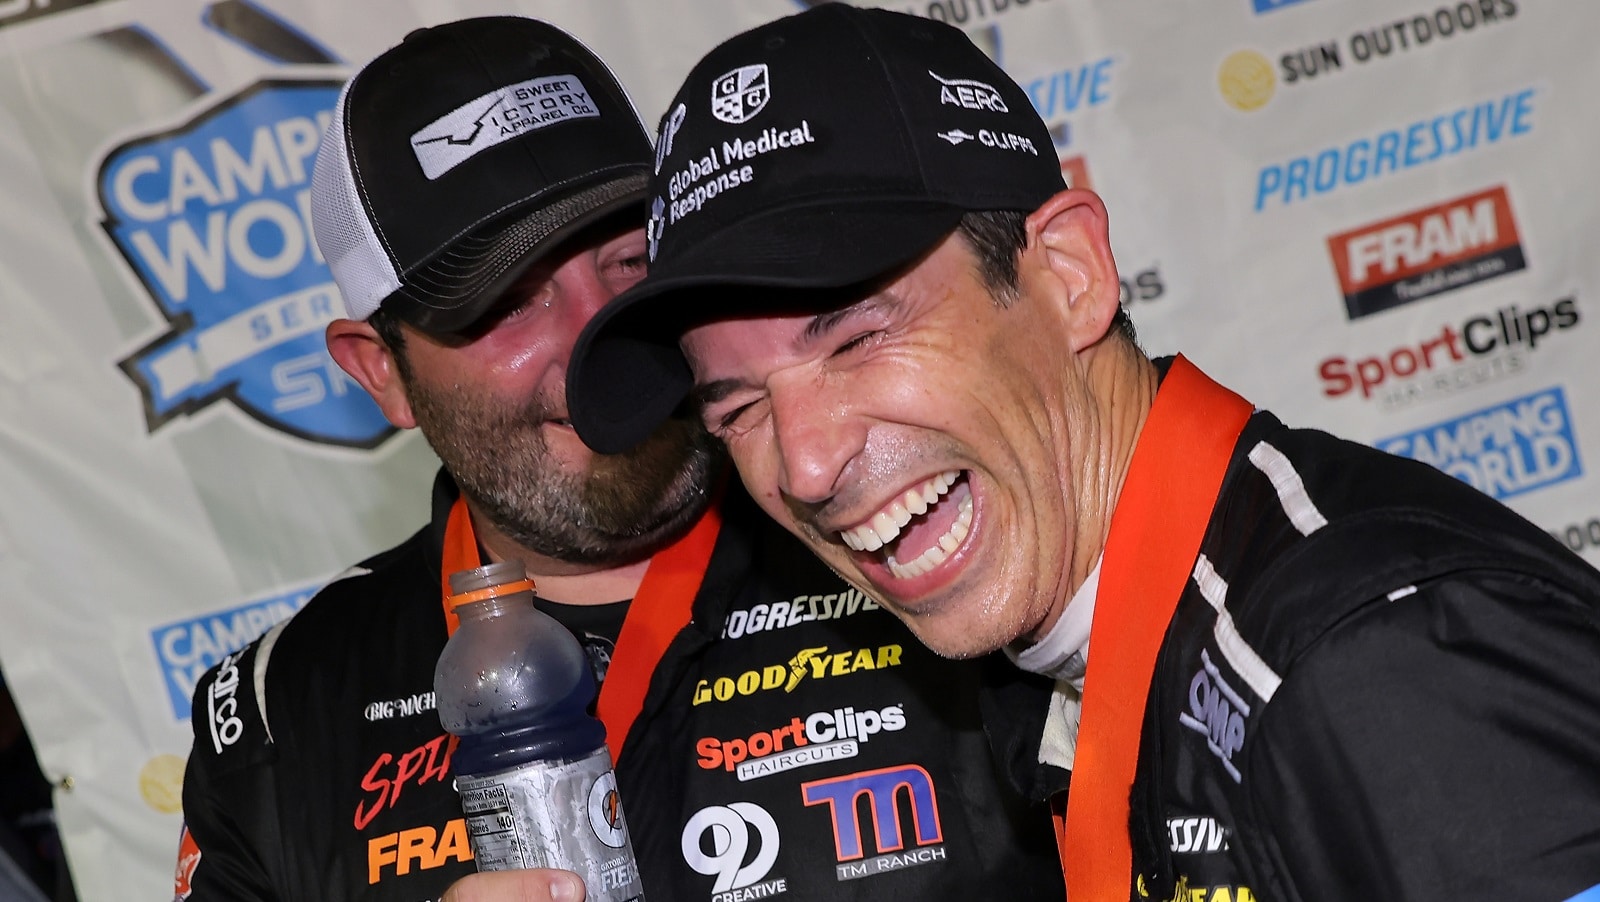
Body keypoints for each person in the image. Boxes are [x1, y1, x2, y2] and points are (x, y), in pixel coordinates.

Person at [565, 6, 1600, 902]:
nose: (806, 464)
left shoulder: (1363, 658)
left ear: (1068, 274)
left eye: (854, 337)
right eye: (737, 404)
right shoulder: (1061, 656)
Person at [175, 15, 1065, 902]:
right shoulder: (278, 717)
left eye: (627, 260)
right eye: (509, 306)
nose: (592, 337)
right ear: (382, 374)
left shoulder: (933, 544)